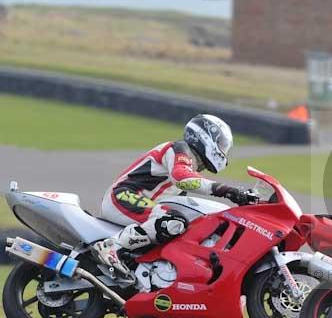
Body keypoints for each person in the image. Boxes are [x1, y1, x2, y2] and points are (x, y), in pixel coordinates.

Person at [92, 114, 250, 279]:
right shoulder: (179, 149)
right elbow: (182, 178)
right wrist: (225, 190)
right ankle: (111, 247)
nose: (222, 151)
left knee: (185, 225)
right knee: (175, 220)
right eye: (221, 145)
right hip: (123, 196)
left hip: (139, 204)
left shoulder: (189, 166)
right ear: (205, 136)